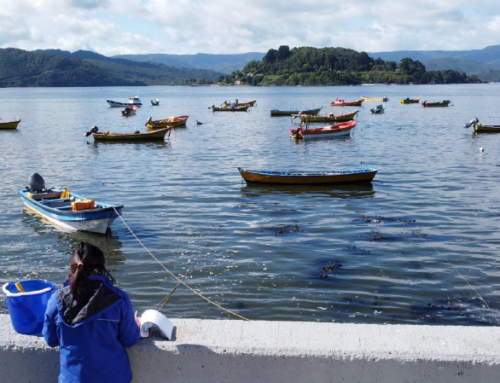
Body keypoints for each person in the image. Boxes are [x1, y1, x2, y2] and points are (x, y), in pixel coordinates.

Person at [43, 242, 140, 383]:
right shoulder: (119, 299)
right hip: (114, 378)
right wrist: (135, 324)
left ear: (73, 266)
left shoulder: (56, 300)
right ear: (101, 267)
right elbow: (130, 340)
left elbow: (50, 340)